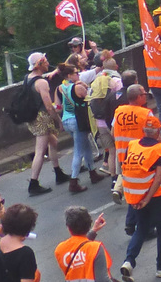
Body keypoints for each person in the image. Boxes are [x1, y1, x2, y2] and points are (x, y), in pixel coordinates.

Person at [119, 114, 161, 281]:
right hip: (154, 197)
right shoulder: (159, 150)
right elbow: (158, 178)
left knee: (141, 228)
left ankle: (129, 261)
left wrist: (137, 200)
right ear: (158, 131)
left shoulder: (132, 145)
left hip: (135, 196)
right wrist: (147, 199)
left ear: (143, 131)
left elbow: (125, 169)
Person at [24, 53, 69, 196]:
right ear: (39, 64)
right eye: (45, 61)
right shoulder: (42, 83)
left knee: (53, 142)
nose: (48, 63)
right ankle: (33, 183)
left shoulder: (28, 78)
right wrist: (59, 120)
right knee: (40, 151)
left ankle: (58, 172)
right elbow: (49, 106)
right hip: (42, 118)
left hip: (33, 117)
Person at [58, 63, 105, 193]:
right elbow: (91, 97)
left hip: (66, 120)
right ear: (69, 75)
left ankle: (92, 172)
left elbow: (58, 105)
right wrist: (85, 86)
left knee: (86, 147)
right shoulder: (78, 87)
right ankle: (73, 181)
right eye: (76, 73)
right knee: (78, 151)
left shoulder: (61, 87)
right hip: (77, 120)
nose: (78, 75)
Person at [111, 83, 150, 204]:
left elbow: (113, 132)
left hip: (122, 151)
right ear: (138, 97)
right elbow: (152, 133)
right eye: (144, 94)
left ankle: (118, 190)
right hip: (140, 151)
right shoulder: (145, 113)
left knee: (125, 172)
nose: (146, 96)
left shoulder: (119, 111)